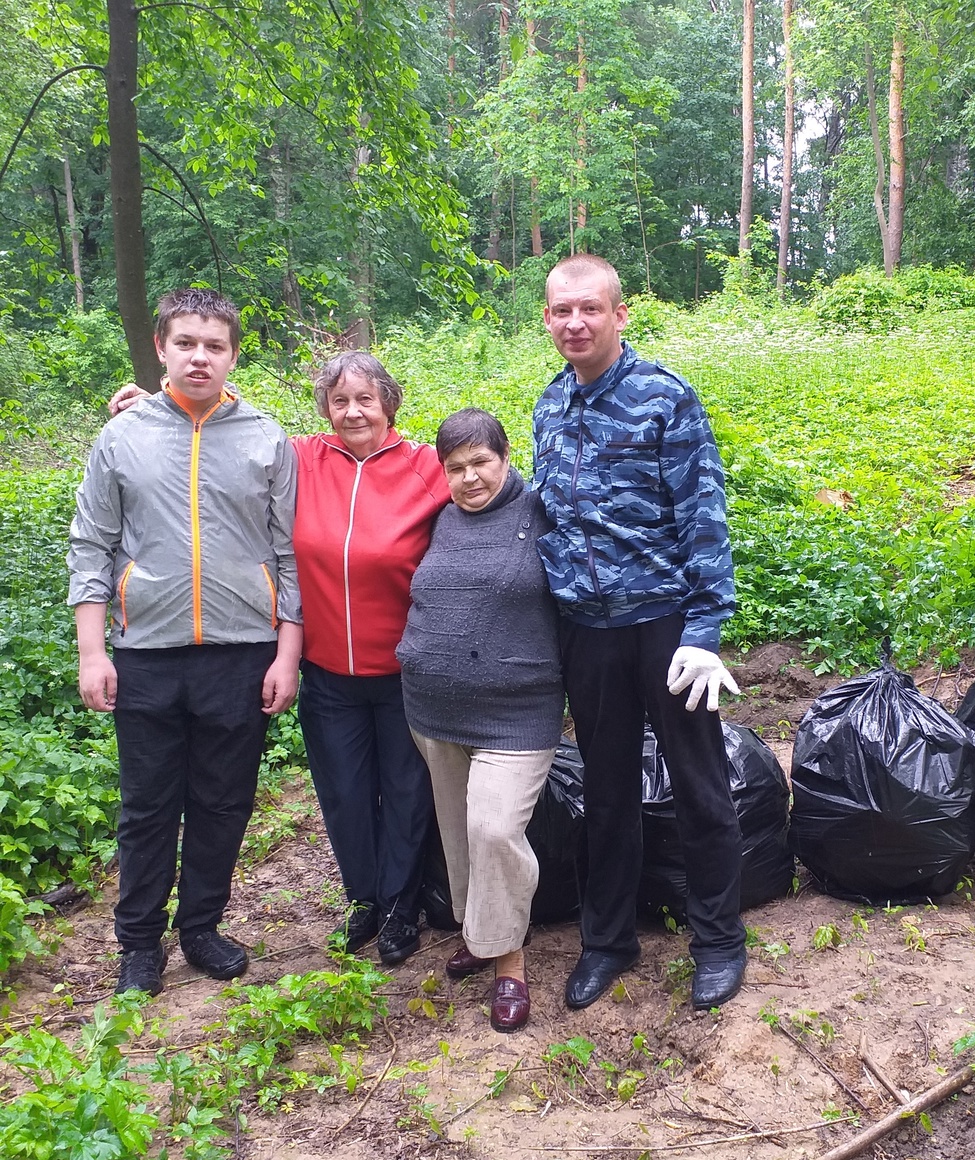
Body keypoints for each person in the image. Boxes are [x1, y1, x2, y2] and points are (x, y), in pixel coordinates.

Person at [108, 353, 453, 967]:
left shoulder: (424, 466)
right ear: (325, 408)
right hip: (325, 670)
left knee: (405, 792)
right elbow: (226, 431)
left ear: (389, 404)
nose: (353, 412)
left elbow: (485, 484)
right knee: (344, 794)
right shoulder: (301, 457)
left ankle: (403, 908)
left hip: (406, 670)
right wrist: (159, 408)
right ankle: (364, 902)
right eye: (340, 401)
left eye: (366, 400)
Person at [69, 287, 302, 996]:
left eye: (215, 346)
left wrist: (287, 652)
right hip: (145, 655)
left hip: (241, 652)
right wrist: (91, 650)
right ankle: (138, 943)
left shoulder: (267, 436)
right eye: (186, 344)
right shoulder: (123, 436)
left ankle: (201, 926)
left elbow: (290, 552)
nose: (200, 357)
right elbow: (92, 544)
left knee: (223, 801)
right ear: (162, 348)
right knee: (146, 807)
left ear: (234, 355)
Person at [534, 253, 746, 1012]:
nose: (575, 323)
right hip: (588, 634)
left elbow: (704, 514)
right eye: (561, 311)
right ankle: (607, 941)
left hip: (665, 628)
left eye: (590, 309)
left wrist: (706, 627)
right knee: (609, 792)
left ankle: (718, 941)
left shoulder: (664, 398)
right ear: (548, 317)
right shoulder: (551, 406)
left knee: (699, 787)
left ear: (620, 314)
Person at [397, 409, 562, 1033]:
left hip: (518, 709)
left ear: (506, 456)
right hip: (433, 708)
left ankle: (509, 962)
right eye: (455, 468)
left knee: (494, 829)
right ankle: (479, 931)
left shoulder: (542, 514)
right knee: (458, 831)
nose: (469, 479)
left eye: (481, 464)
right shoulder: (439, 519)